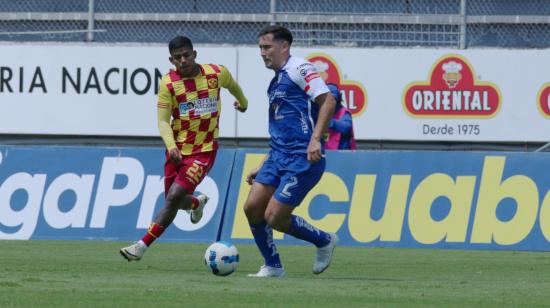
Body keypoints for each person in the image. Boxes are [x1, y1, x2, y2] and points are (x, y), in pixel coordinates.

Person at [120, 35, 248, 261]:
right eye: (177, 58)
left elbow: (234, 86)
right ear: (171, 60)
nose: (183, 61)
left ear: (194, 54)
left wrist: (243, 102)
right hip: (178, 150)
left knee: (173, 197)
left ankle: (141, 246)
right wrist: (171, 146)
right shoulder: (168, 84)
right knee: (176, 200)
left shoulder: (217, 73)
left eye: (186, 55)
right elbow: (162, 121)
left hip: (204, 150)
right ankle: (197, 202)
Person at [243, 25, 338, 278]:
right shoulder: (275, 82)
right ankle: (272, 265)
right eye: (260, 48)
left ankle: (324, 240)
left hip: (302, 158)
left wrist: (315, 139)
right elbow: (281, 130)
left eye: (267, 47)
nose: (262, 53)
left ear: (284, 46)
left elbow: (328, 99)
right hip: (277, 156)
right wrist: (263, 164)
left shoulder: (299, 68)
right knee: (252, 207)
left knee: (274, 217)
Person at [325, 83, 357, 150]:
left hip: (342, 153)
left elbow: (346, 127)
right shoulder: (320, 111)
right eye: (327, 100)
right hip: (325, 152)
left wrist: (329, 122)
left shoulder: (344, 112)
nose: (331, 102)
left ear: (338, 99)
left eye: (334, 99)